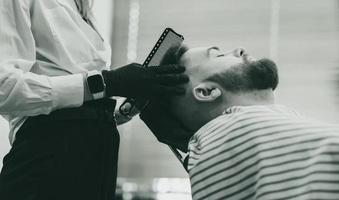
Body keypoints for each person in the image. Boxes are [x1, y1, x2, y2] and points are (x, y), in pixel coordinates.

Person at [0, 0, 188, 200]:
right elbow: (4, 88)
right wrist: (108, 82)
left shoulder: (83, 7)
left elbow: (74, 101)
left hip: (98, 157)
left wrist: (119, 111)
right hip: (48, 156)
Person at [140, 44, 339, 200]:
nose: (239, 49)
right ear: (207, 92)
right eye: (218, 55)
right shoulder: (236, 129)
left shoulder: (221, 144)